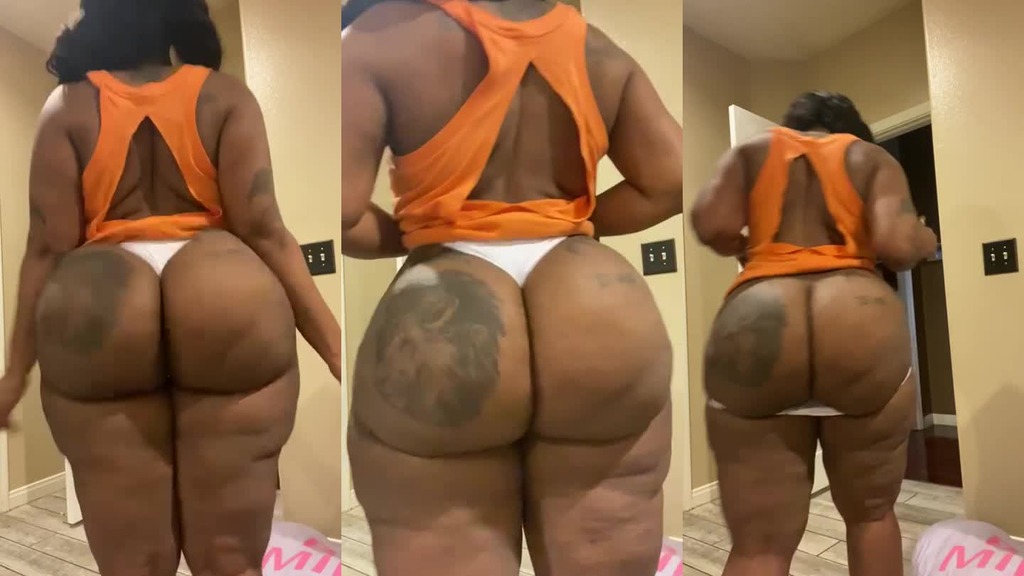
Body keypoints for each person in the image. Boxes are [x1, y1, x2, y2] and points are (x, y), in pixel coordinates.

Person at [0, 1, 341, 575]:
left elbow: (45, 248)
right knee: (230, 559)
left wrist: (14, 374)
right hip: (219, 289)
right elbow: (265, 230)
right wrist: (337, 350)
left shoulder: (68, 105)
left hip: (104, 299)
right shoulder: (224, 97)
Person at [341, 1, 682, 575]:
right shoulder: (599, 50)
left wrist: (429, 231)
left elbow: (342, 215)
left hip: (446, 299)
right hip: (594, 305)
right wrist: (569, 224)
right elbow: (671, 179)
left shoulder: (379, 36)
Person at [691, 91, 937, 576]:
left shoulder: (752, 151)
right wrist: (924, 237)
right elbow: (896, 244)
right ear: (852, 130)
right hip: (857, 326)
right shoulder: (870, 157)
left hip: (759, 324)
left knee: (759, 545)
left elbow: (711, 222)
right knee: (870, 515)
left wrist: (751, 252)